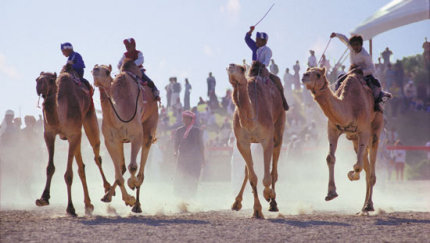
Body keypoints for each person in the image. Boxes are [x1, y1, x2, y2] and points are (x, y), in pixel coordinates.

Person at [330, 32, 392, 111]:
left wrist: (362, 71)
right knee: (339, 80)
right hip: (352, 71)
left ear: (361, 45)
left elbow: (372, 69)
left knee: (375, 84)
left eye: (357, 44)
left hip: (364, 73)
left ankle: (378, 103)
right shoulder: (351, 47)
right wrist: (336, 35)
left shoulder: (365, 55)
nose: (355, 47)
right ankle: (337, 99)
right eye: (353, 45)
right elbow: (344, 38)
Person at [244, 26, 289, 110]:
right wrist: (250, 31)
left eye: (258, 39)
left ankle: (283, 101)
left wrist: (262, 65)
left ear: (263, 41)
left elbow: (267, 61)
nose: (256, 40)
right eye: (256, 39)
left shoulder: (267, 50)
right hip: (253, 69)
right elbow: (247, 39)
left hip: (261, 69)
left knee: (277, 80)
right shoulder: (255, 46)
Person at [173, 110, 205, 198]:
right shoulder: (179, 131)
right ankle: (180, 199)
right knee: (180, 179)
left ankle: (191, 198)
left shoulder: (197, 131)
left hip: (195, 159)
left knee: (193, 180)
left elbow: (201, 146)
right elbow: (176, 144)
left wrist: (203, 159)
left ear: (191, 120)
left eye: (187, 118)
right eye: (184, 118)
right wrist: (175, 152)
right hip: (182, 159)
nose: (185, 120)